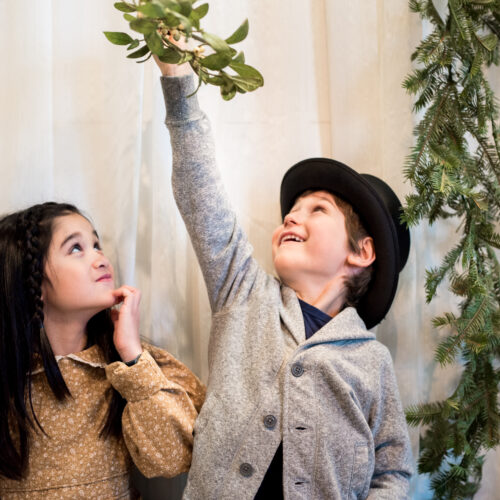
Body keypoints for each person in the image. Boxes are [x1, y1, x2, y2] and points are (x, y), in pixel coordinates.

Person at [156, 59, 413, 499]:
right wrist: (178, 80)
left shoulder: (371, 361)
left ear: (360, 252)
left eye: (317, 209)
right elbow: (202, 196)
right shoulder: (243, 292)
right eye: (292, 210)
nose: (292, 216)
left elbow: (393, 470)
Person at [0, 202, 205, 499]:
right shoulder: (10, 376)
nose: (100, 258)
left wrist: (132, 355)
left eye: (97, 245)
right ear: (32, 281)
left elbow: (174, 459)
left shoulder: (127, 367)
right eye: (76, 248)